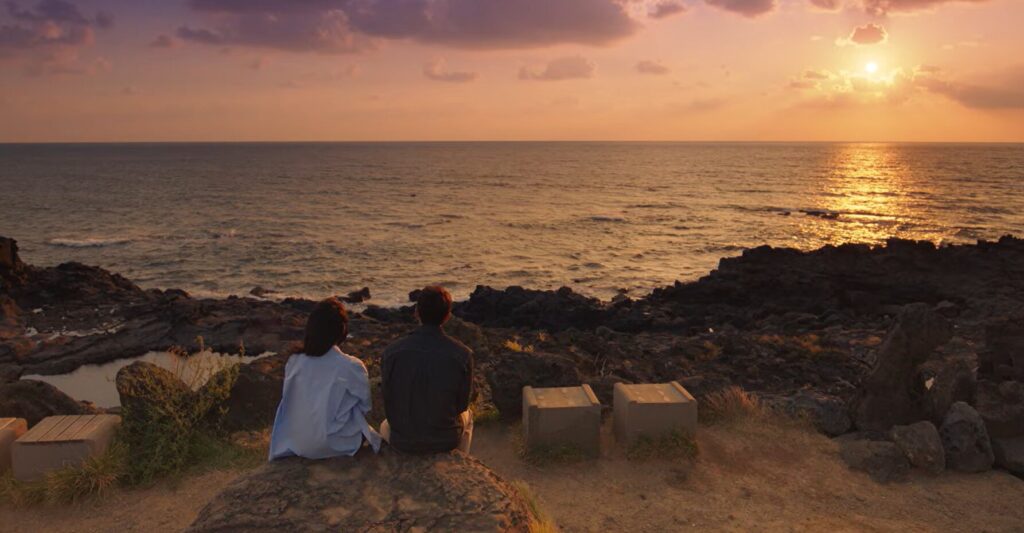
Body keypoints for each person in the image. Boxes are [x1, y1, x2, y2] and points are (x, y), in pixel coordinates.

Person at [269, 297, 381, 460]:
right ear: (341, 330)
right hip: (335, 444)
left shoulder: (295, 361)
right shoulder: (351, 366)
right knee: (357, 417)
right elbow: (365, 406)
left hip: (297, 442)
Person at [380, 285, 474, 454]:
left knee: (384, 425)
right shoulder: (462, 354)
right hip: (445, 440)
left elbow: (388, 399)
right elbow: (461, 406)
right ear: (447, 316)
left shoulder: (391, 352)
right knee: (469, 416)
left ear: (417, 312)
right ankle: (459, 459)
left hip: (403, 440)